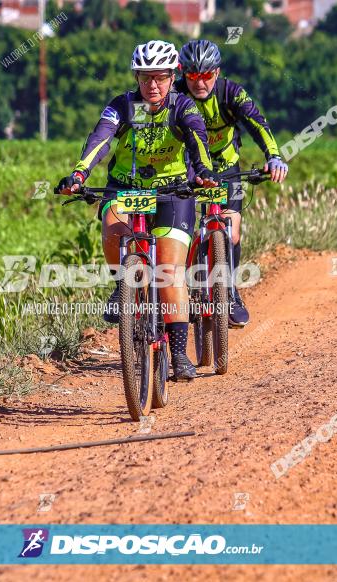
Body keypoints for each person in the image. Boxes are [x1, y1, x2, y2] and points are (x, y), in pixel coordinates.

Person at [57, 40, 218, 380]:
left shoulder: (182, 106)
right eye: (145, 78)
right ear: (136, 77)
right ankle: (122, 285)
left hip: (174, 190)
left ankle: (177, 352)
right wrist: (79, 173)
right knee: (112, 223)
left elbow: (197, 138)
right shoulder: (124, 106)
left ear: (173, 77)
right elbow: (101, 138)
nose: (152, 86)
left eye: (160, 77)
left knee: (170, 270)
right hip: (127, 186)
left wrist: (203, 172)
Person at [176, 39, 288, 327]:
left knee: (232, 231)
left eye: (206, 75)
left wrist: (274, 156)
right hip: (188, 169)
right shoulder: (174, 96)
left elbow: (257, 123)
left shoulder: (231, 92)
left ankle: (231, 292)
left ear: (217, 72)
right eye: (192, 76)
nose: (200, 83)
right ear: (182, 74)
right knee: (180, 231)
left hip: (227, 169)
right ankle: (178, 290)